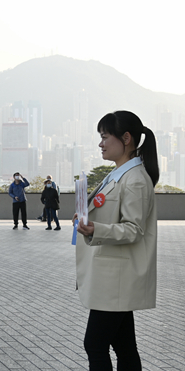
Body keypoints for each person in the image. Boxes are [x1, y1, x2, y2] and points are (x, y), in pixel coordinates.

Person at [75, 111, 158, 370]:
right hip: (112, 277)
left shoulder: (135, 180)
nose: (100, 143)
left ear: (126, 138)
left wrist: (95, 228)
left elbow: (134, 229)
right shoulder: (118, 174)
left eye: (105, 137)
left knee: (95, 345)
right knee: (123, 346)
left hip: (117, 279)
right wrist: (87, 218)